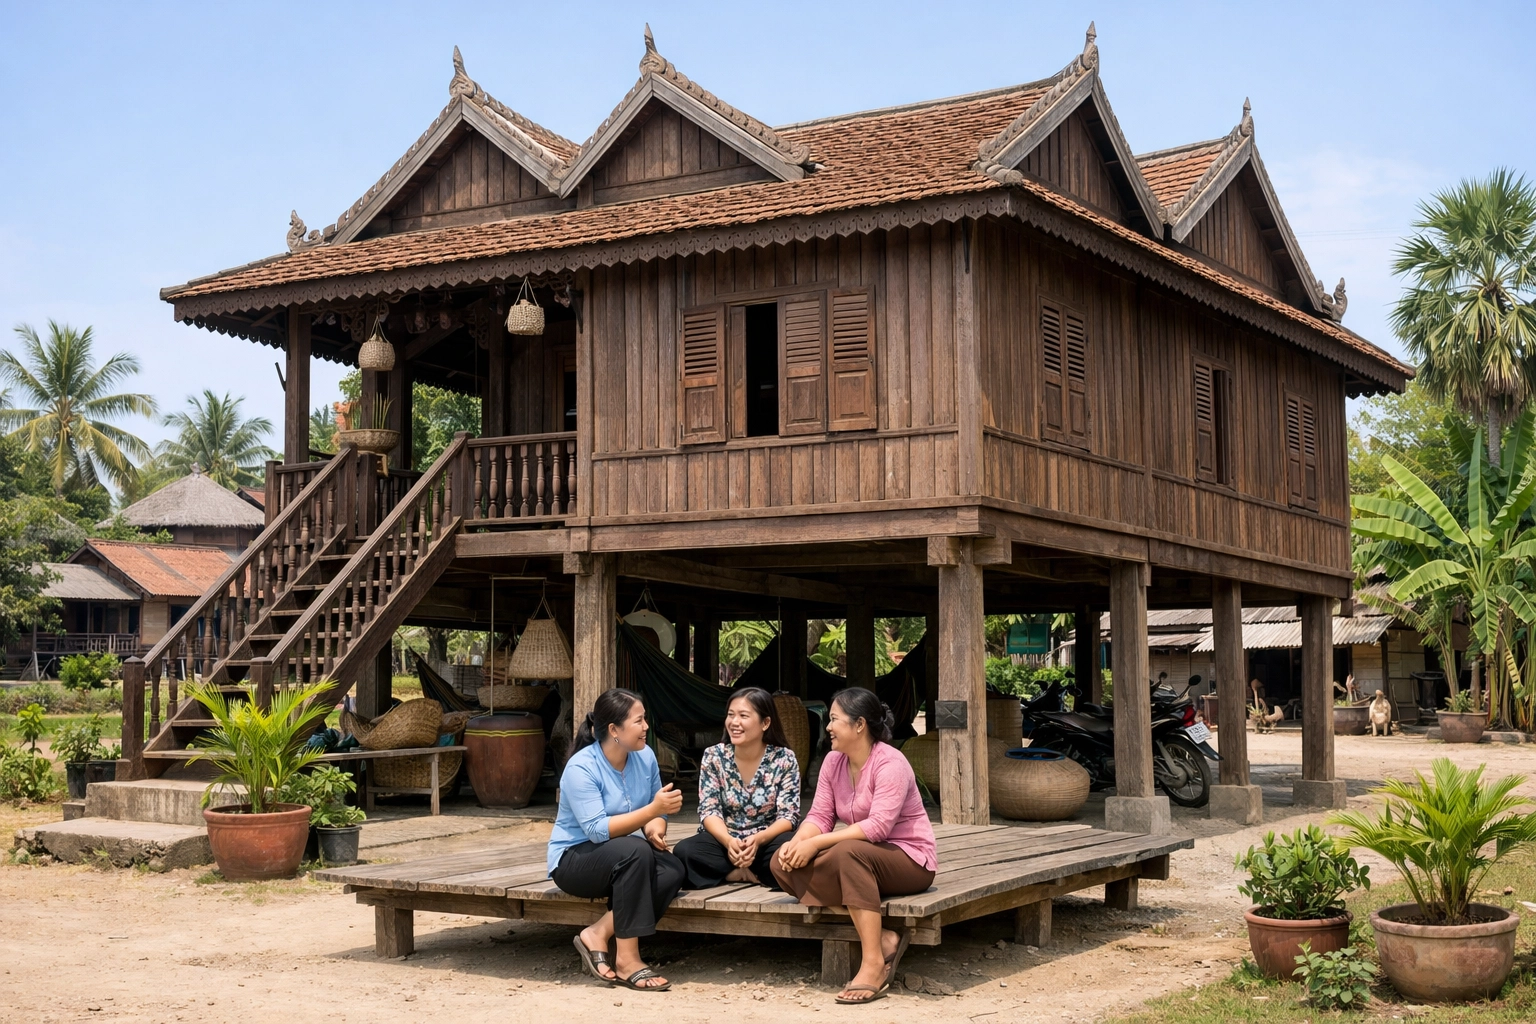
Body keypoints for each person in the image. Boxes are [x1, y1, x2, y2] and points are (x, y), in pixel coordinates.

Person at [772, 688, 936, 1005]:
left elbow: (878, 827)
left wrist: (817, 843)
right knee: (781, 862)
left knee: (847, 853)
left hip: (909, 861)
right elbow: (820, 814)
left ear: (859, 725)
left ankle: (873, 961)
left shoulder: (891, 763)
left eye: (834, 719)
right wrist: (796, 843)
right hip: (861, 860)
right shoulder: (834, 762)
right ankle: (885, 937)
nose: (828, 726)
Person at [548, 688, 685, 992]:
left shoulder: (645, 756)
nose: (646, 727)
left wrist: (655, 828)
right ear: (614, 730)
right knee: (636, 852)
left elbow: (655, 805)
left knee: (672, 869)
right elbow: (597, 830)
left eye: (645, 719)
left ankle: (598, 932)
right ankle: (627, 960)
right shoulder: (582, 767)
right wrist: (653, 811)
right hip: (574, 861)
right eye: (639, 721)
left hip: (620, 857)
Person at [673, 687, 800, 888]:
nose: (734, 722)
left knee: (792, 851)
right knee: (684, 852)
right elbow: (709, 810)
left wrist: (758, 840)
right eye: (731, 715)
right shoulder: (714, 756)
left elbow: (788, 816)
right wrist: (728, 841)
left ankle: (739, 871)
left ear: (765, 723)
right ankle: (737, 872)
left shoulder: (784, 759)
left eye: (743, 716)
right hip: (724, 842)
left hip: (765, 842)